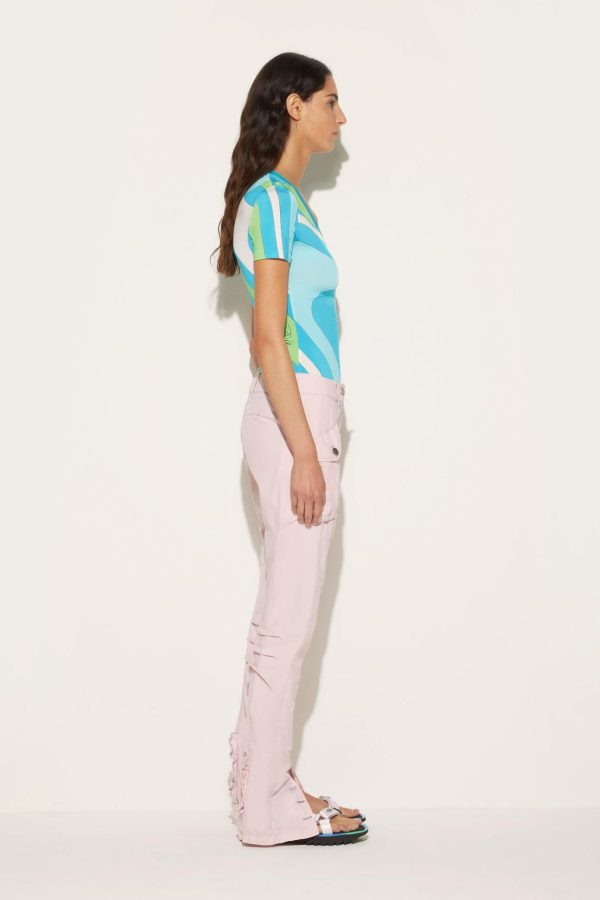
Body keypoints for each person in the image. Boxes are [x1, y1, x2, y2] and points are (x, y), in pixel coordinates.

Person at [212, 52, 368, 846]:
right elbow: (269, 339)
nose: (342, 116)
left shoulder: (286, 203)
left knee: (284, 613)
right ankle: (266, 805)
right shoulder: (272, 199)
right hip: (293, 413)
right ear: (295, 106)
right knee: (289, 621)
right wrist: (306, 452)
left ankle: (261, 784)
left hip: (299, 411)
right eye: (332, 101)